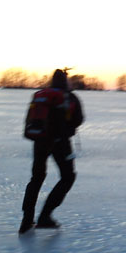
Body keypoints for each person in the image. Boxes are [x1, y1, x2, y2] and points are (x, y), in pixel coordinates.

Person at [19, 69, 84, 234]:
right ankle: (45, 216)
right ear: (65, 81)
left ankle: (27, 220)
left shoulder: (41, 95)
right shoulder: (69, 96)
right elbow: (79, 119)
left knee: (37, 178)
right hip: (60, 142)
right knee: (68, 177)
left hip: (40, 141)